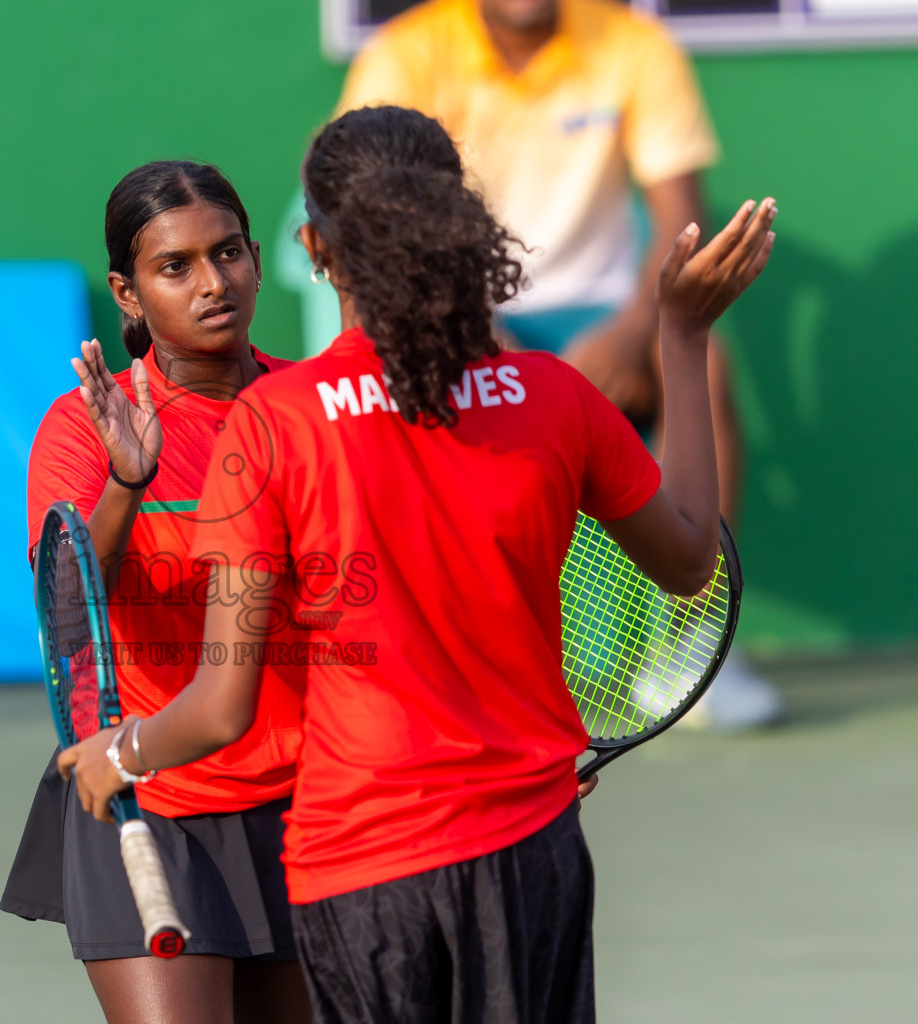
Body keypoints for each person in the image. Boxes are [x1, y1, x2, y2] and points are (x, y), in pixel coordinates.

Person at [59, 106, 776, 1023]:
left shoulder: (274, 424)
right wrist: (681, 336)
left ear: (315, 247)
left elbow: (220, 705)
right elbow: (689, 562)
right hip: (533, 848)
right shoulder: (551, 395)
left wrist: (119, 752)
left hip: (364, 863)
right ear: (461, 222)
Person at [328, 0, 780, 729]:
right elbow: (372, 224)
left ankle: (693, 647)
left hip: (604, 319)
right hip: (464, 315)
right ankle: (454, 654)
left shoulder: (636, 46)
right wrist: (472, 326)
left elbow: (679, 222)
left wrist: (636, 332)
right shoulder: (402, 55)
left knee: (709, 365)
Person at [0, 161, 312, 1024]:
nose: (213, 283)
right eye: (175, 266)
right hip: (150, 793)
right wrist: (126, 485)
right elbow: (68, 608)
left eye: (228, 254)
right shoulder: (82, 429)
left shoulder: (312, 410)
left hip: (312, 799)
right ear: (126, 292)